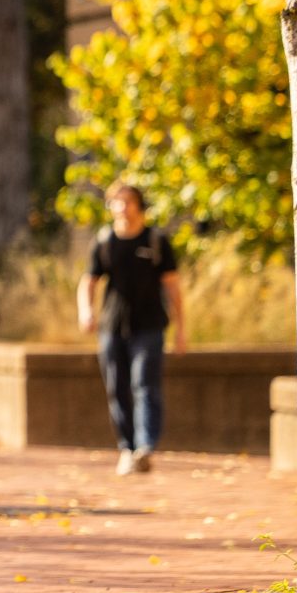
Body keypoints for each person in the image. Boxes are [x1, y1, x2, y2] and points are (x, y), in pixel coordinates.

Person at [77, 181, 186, 474]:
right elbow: (88, 281)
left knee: (145, 385)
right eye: (118, 202)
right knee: (118, 388)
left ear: (140, 206)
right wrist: (86, 311)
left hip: (150, 326)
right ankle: (126, 448)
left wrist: (181, 329)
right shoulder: (104, 241)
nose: (124, 207)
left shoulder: (156, 241)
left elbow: (173, 287)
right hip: (112, 327)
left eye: (129, 201)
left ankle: (145, 447)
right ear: (111, 206)